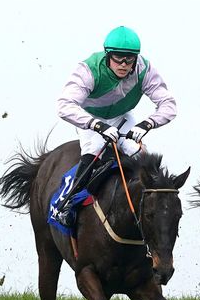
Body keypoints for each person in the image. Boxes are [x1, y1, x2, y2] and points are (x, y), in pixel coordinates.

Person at [52, 26, 177, 215]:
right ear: (107, 55)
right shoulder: (89, 69)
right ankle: (69, 203)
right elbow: (64, 105)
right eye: (118, 58)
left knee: (141, 156)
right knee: (94, 149)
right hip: (90, 119)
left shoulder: (144, 69)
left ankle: (157, 209)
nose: (124, 64)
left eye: (129, 58)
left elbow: (168, 104)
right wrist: (97, 125)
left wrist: (147, 124)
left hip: (122, 117)